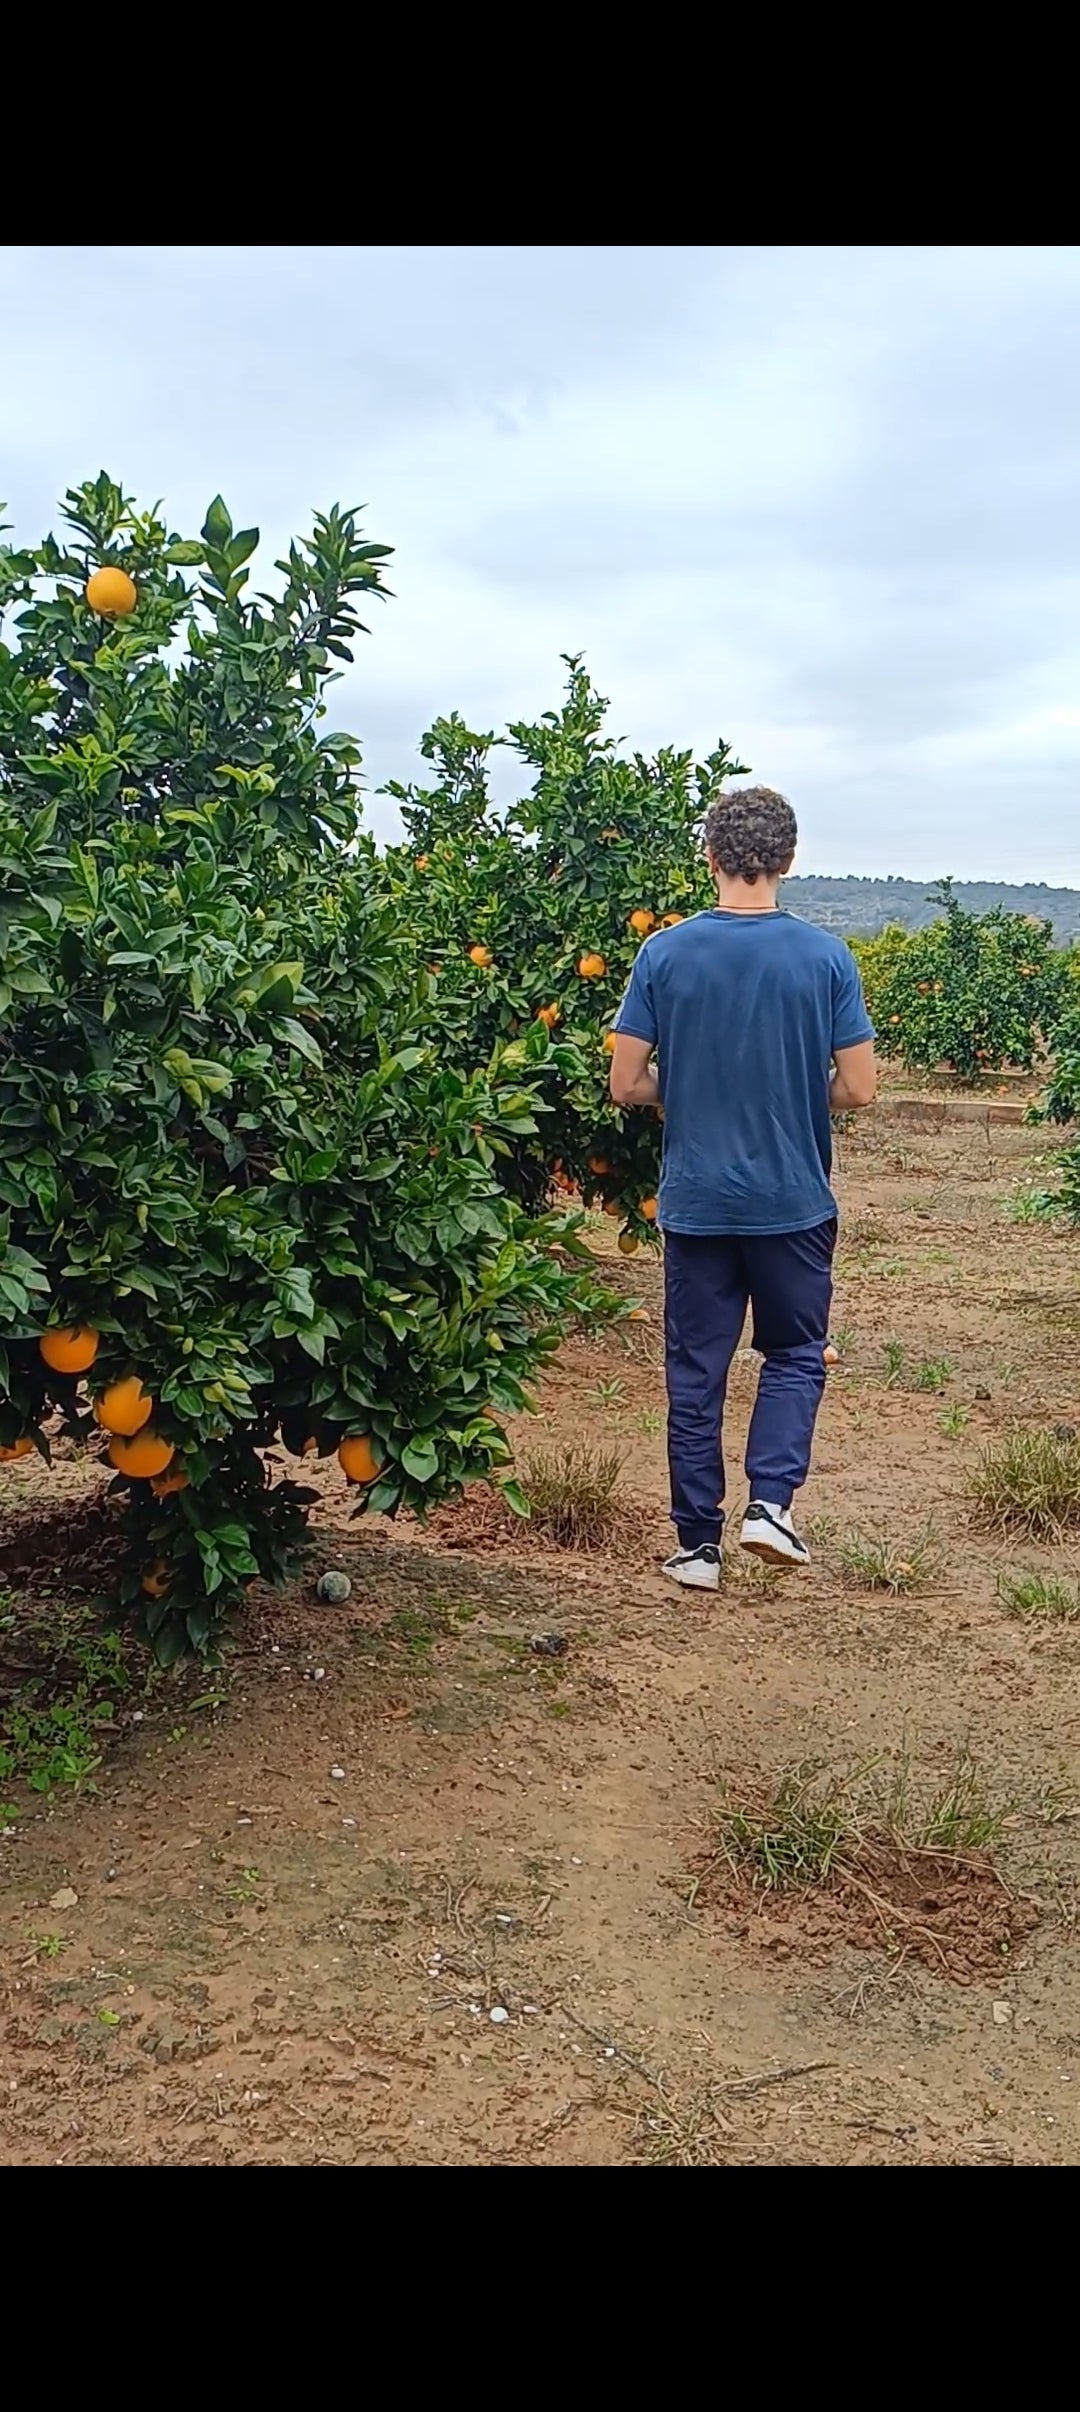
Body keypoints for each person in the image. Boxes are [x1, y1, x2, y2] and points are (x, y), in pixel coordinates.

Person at [609, 786, 876, 1589]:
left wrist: (691, 1087)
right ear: (788, 859)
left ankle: (698, 1547)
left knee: (697, 1375)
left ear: (711, 857)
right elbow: (859, 1087)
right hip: (792, 1203)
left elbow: (627, 1082)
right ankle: (770, 1505)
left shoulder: (663, 954)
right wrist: (791, 1091)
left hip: (696, 1204)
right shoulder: (826, 958)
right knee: (794, 1352)